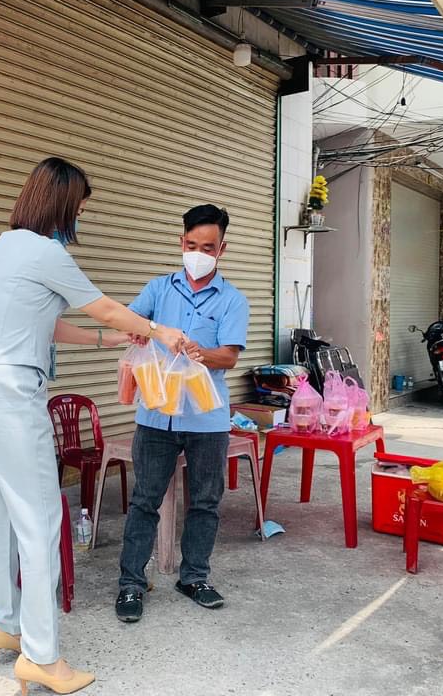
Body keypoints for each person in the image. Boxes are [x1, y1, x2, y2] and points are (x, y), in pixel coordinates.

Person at [0, 157, 186, 695]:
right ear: (63, 203)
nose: (81, 215)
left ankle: (5, 626)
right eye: (81, 206)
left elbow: (48, 321)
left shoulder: (4, 246)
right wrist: (159, 332)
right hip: (14, 393)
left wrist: (110, 341)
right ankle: (41, 656)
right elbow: (105, 307)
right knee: (40, 520)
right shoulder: (46, 251)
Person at [115, 204, 250, 623]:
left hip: (206, 420)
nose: (197, 253)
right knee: (144, 501)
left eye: (207, 247)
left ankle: (194, 577)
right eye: (191, 245)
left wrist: (199, 353)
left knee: (206, 501)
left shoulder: (233, 299)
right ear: (181, 243)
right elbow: (129, 320)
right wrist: (140, 328)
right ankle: (131, 583)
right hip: (156, 415)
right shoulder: (159, 289)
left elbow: (228, 357)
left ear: (221, 248)